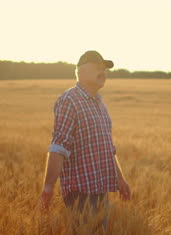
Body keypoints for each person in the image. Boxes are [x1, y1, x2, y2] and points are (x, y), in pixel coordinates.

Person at [40, 50, 131, 222]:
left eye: (105, 69)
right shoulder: (70, 100)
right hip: (80, 193)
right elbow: (59, 147)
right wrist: (48, 187)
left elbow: (107, 148)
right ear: (81, 71)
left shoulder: (99, 102)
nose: (103, 72)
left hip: (101, 188)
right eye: (98, 67)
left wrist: (120, 178)